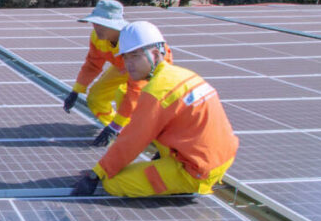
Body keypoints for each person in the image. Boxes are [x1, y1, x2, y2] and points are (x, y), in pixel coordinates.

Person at [71, 21, 239, 197]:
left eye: (135, 56)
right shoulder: (182, 74)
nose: (129, 64)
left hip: (196, 169)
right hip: (219, 155)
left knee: (113, 183)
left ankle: (182, 184)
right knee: (125, 95)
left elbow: (133, 140)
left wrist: (96, 174)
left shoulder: (157, 92)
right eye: (126, 57)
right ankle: (169, 163)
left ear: (156, 54)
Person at [62, 0, 171, 146]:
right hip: (122, 66)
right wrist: (76, 90)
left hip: (149, 69)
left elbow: (135, 90)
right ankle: (122, 131)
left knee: (130, 99)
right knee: (96, 97)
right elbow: (93, 64)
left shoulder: (134, 43)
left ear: (115, 26)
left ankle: (157, 142)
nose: (96, 28)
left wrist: (116, 125)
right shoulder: (97, 38)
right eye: (94, 23)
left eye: (101, 25)